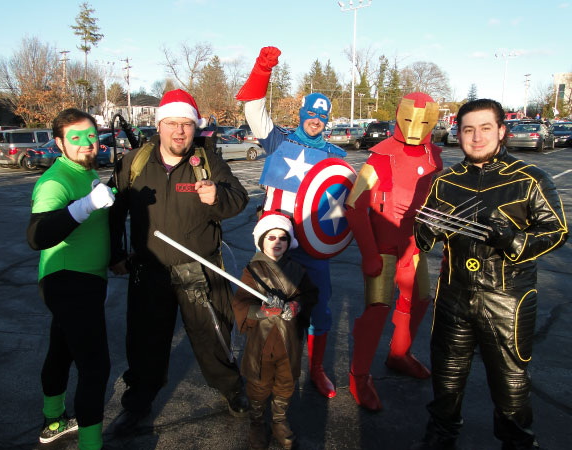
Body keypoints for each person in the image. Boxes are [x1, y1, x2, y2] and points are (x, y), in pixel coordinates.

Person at [412, 99, 568, 450]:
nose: (476, 137)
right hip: (453, 296)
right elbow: (423, 235)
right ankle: (440, 436)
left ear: (501, 131)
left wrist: (512, 239)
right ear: (460, 134)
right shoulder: (446, 181)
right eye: (468, 129)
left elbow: (556, 232)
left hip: (508, 299)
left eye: (485, 128)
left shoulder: (530, 179)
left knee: (511, 385)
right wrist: (426, 230)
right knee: (446, 379)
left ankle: (517, 443)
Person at [108, 89, 250, 434]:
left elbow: (239, 199)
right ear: (159, 126)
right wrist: (116, 253)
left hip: (200, 271)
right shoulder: (136, 162)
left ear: (194, 127)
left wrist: (218, 197)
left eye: (186, 124)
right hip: (150, 273)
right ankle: (138, 404)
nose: (179, 131)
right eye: (171, 123)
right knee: (145, 345)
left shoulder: (208, 161)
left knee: (213, 337)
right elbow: (114, 212)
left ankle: (232, 390)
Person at [236, 46, 346, 399]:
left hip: (313, 245)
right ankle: (264, 369)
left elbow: (348, 201)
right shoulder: (278, 141)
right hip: (276, 244)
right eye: (311, 113)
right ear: (302, 114)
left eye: (321, 116)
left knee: (319, 307)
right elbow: (252, 107)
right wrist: (262, 70)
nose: (316, 119)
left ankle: (315, 370)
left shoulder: (333, 156)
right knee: (267, 308)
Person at [344, 92, 443, 411]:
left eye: (425, 120)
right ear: (400, 115)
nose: (416, 127)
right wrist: (369, 253)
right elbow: (354, 207)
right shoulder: (379, 158)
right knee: (377, 308)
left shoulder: (434, 158)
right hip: (383, 246)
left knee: (420, 300)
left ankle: (399, 353)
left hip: (413, 246)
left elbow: (436, 202)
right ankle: (358, 375)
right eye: (411, 118)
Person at [26, 108, 116, 450]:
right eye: (75, 138)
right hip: (68, 281)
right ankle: (91, 445)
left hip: (84, 280)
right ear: (59, 143)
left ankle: (53, 421)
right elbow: (37, 235)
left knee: (61, 350)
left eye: (91, 136)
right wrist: (85, 206)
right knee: (95, 368)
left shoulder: (84, 173)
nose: (85, 144)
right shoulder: (55, 181)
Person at [232, 212, 318, 450]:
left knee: (286, 381)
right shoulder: (253, 271)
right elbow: (240, 303)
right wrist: (261, 312)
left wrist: (296, 305)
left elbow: (310, 295)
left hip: (288, 339)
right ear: (261, 240)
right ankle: (257, 423)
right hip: (263, 340)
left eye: (282, 238)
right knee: (259, 383)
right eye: (271, 237)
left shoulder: (297, 270)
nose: (277, 242)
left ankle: (279, 420)